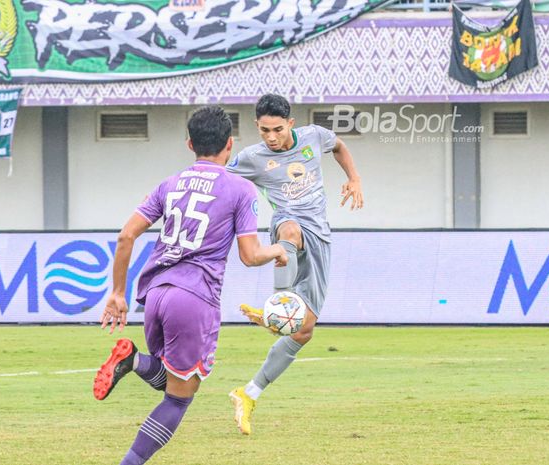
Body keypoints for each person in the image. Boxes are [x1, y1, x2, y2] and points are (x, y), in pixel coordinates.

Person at [94, 105, 288, 465]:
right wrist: (278, 248)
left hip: (155, 294)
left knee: (171, 376)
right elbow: (249, 255)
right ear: (230, 144)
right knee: (178, 398)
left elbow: (126, 235)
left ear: (189, 143)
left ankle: (133, 360)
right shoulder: (241, 189)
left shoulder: (170, 183)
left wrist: (118, 293)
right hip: (195, 298)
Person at [226, 93, 364, 435]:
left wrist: (354, 178)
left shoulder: (314, 136)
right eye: (263, 130)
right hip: (288, 224)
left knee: (304, 330)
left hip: (321, 238)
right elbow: (222, 180)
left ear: (290, 123)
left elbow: (340, 146)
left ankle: (248, 393)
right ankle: (278, 301)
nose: (270, 137)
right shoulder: (252, 158)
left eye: (276, 129)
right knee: (289, 229)